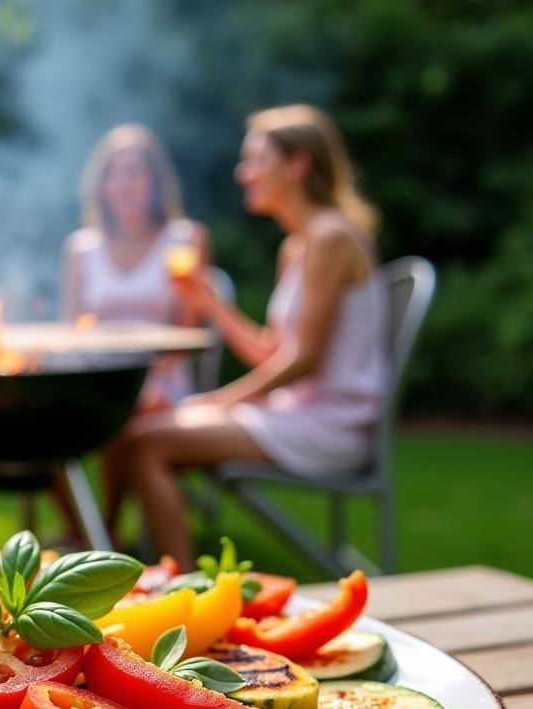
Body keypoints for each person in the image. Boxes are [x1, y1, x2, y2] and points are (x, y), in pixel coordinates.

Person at [117, 104, 388, 569]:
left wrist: (220, 401)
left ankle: (181, 585)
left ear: (298, 164)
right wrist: (212, 304)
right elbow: (274, 353)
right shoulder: (298, 245)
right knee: (144, 426)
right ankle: (164, 570)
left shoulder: (329, 238)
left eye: (256, 160)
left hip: (329, 424)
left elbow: (304, 361)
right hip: (294, 413)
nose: (244, 174)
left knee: (147, 441)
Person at [61, 123, 212, 410]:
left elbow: (188, 333)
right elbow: (73, 333)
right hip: (98, 380)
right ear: (101, 185)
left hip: (165, 383)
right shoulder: (80, 248)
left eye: (133, 172)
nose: (122, 183)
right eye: (112, 173)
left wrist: (141, 386)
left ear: (154, 181)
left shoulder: (185, 240)